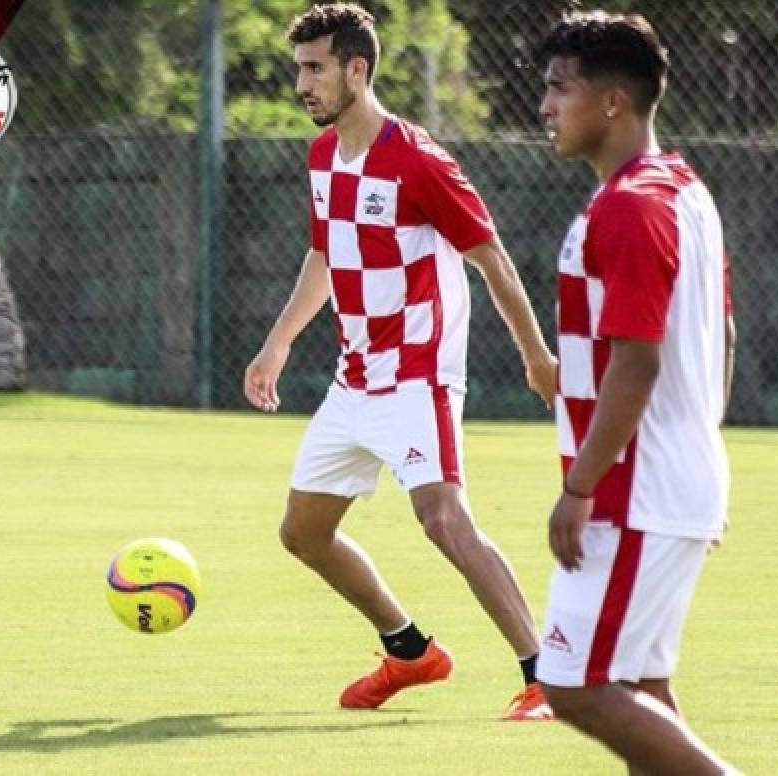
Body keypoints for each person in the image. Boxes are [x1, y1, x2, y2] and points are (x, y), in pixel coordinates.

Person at [243, 3, 557, 721]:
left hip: (418, 374)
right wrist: (280, 339)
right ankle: (411, 651)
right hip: (354, 380)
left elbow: (493, 260)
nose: (302, 83)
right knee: (303, 533)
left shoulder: (419, 160)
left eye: (315, 67)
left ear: (358, 68)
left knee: (443, 520)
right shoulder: (323, 156)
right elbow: (326, 252)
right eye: (299, 68)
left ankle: (545, 677)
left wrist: (536, 356)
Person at [533, 11, 739, 775]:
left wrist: (580, 486)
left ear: (613, 102)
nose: (546, 106)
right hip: (670, 483)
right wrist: (702, 461)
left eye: (560, 89)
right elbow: (725, 339)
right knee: (642, 688)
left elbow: (637, 363)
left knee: (575, 686)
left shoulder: (627, 206)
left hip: (634, 492)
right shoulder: (683, 187)